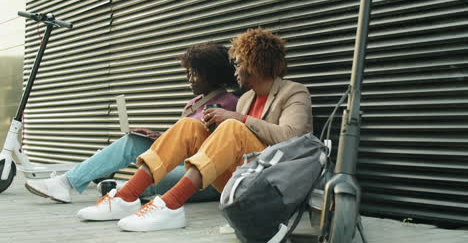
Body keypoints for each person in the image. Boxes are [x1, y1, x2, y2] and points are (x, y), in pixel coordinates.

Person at [76, 27, 313, 233]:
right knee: (190, 125)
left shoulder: (293, 92)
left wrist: (239, 119)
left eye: (239, 63)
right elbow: (232, 144)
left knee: (232, 125)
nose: (235, 70)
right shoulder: (246, 99)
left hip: (270, 185)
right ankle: (126, 198)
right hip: (241, 178)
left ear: (254, 65)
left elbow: (291, 138)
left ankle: (170, 204)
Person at [24, 42, 239, 204]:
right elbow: (181, 141)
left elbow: (214, 149)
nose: (189, 79)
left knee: (144, 185)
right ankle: (66, 182)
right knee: (134, 141)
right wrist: (158, 137)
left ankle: (115, 188)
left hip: (203, 173)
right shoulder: (193, 103)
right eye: (188, 73)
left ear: (212, 75)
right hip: (178, 162)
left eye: (195, 74)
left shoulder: (228, 104)